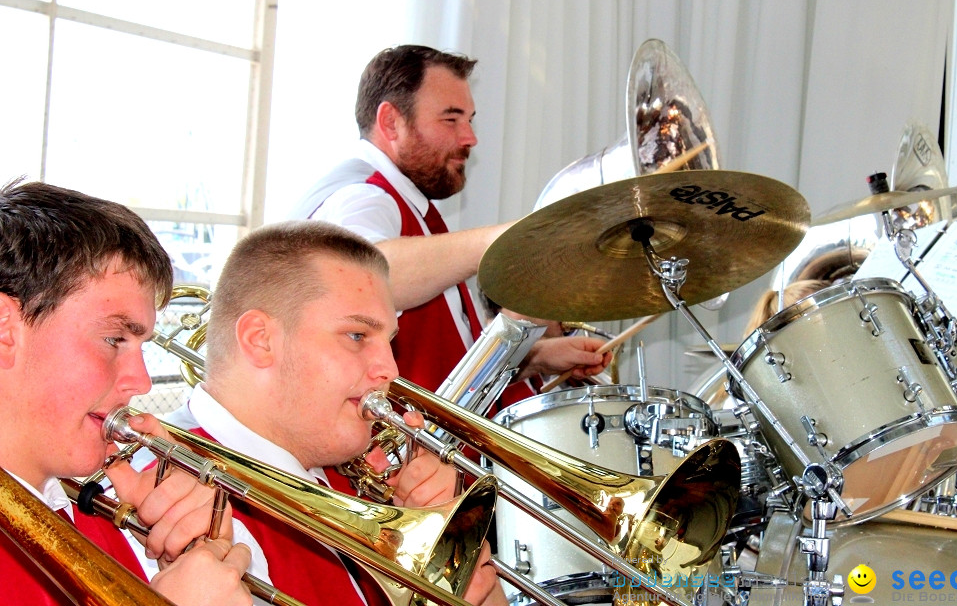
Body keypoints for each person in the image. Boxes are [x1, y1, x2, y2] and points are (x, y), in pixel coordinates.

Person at [165, 220, 505, 606]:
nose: (390, 371)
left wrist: (449, 553)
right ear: (260, 340)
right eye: (358, 336)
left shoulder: (347, 465)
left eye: (389, 341)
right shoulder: (173, 508)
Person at [290, 45, 609, 400]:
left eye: (469, 120)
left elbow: (446, 371)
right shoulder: (362, 195)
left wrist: (535, 358)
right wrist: (507, 242)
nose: (470, 137)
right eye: (451, 119)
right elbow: (365, 278)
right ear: (391, 122)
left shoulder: (406, 200)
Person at [0, 179, 252, 605]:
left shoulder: (85, 515)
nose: (141, 381)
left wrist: (186, 556)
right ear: (6, 329)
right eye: (115, 339)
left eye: (142, 346)